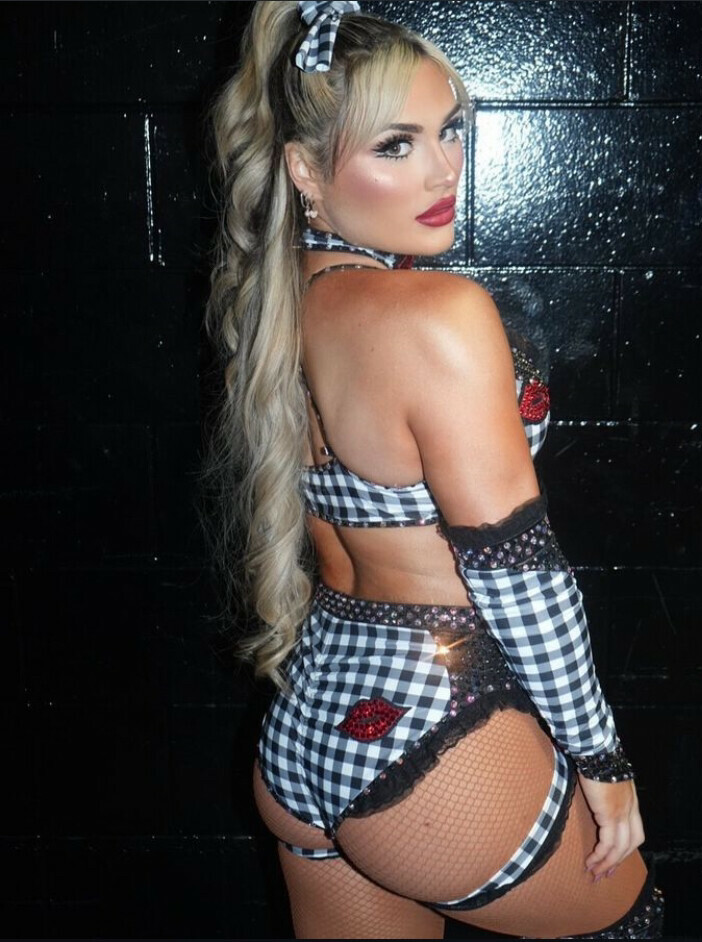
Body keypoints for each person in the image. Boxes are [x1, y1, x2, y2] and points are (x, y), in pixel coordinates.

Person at [203, 2, 665, 938]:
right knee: (632, 920)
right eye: (396, 145)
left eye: (448, 130)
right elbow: (520, 576)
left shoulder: (276, 312)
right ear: (305, 171)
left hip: (304, 734)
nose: (444, 169)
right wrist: (603, 760)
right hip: (436, 735)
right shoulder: (437, 313)